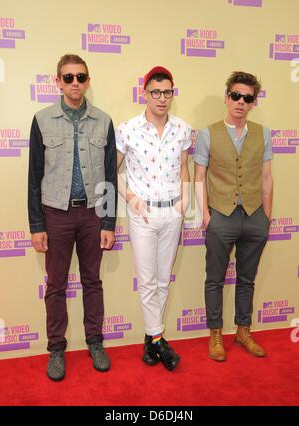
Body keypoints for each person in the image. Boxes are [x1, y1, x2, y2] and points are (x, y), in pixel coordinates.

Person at [28, 54, 117, 380]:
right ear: (58, 81)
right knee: (56, 284)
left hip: (93, 214)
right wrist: (37, 225)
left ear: (88, 80)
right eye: (68, 77)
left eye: (80, 77)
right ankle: (56, 348)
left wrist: (108, 222)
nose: (75, 83)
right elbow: (34, 176)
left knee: (93, 281)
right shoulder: (42, 120)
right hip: (56, 214)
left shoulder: (104, 121)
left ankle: (95, 341)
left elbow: (110, 176)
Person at [194, 71, 273, 362]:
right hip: (221, 216)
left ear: (253, 102)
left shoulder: (262, 133)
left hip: (254, 216)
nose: (241, 102)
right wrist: (204, 215)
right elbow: (199, 176)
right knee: (214, 279)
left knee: (247, 279)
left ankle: (243, 330)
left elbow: (266, 176)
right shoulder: (207, 133)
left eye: (247, 98)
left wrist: (266, 216)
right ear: (227, 98)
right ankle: (215, 334)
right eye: (236, 96)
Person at [116, 66, 191, 371]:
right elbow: (111, 169)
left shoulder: (183, 129)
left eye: (167, 92)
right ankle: (160, 342)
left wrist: (185, 201)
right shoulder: (128, 129)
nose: (162, 98)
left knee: (162, 281)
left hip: (172, 212)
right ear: (144, 94)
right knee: (147, 281)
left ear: (173, 93)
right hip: (143, 214)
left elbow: (184, 167)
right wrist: (131, 198)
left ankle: (150, 343)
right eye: (155, 92)